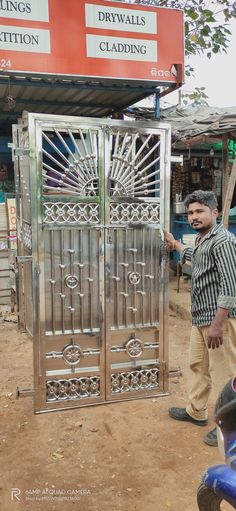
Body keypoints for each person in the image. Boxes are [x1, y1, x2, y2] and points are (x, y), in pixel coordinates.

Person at [165, 190, 236, 446]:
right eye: (191, 213)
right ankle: (197, 411)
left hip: (220, 322)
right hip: (201, 318)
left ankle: (230, 429)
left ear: (214, 213)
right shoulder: (203, 240)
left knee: (227, 376)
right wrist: (175, 244)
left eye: (199, 211)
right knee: (198, 366)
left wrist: (218, 325)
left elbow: (231, 286)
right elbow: (196, 259)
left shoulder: (223, 241)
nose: (194, 217)